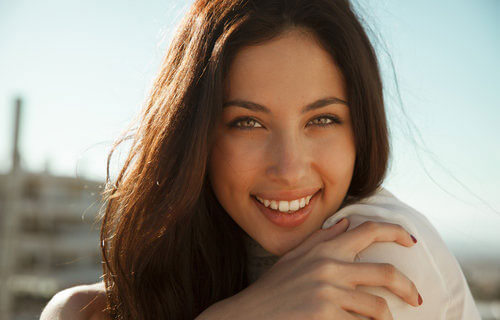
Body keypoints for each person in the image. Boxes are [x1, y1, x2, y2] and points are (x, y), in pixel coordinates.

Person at [40, 0, 481, 319]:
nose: (290, 168)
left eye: (322, 119)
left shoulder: (378, 254)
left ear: (360, 130)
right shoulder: (212, 247)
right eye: (248, 123)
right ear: (196, 137)